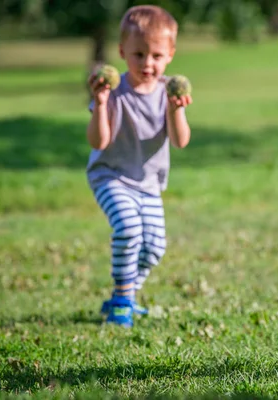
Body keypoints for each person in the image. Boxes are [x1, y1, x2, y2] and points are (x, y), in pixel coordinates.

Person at [85, 5, 192, 327]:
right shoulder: (113, 90)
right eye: (138, 54)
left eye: (156, 56)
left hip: (148, 182)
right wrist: (101, 104)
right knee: (129, 229)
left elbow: (180, 141)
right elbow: (98, 142)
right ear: (122, 52)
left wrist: (176, 111)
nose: (148, 63)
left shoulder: (169, 90)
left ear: (170, 54)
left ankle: (127, 294)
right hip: (110, 176)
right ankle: (121, 299)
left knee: (154, 248)